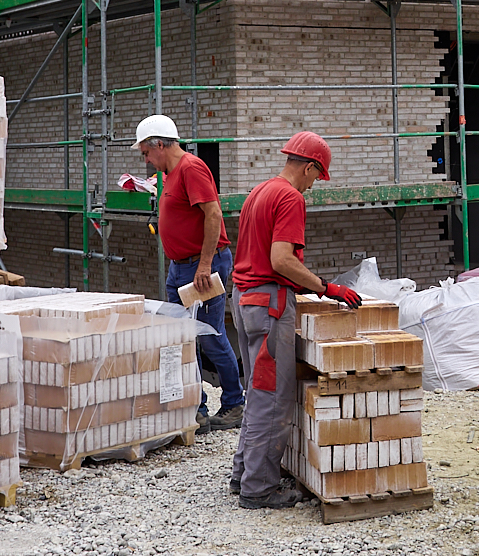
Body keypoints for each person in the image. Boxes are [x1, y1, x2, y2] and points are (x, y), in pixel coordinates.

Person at [229, 131, 362, 509]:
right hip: (269, 304)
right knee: (273, 398)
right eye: (316, 178)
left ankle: (244, 475)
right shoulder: (289, 197)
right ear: (308, 167)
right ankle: (259, 489)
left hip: (244, 299)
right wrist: (327, 288)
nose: (313, 186)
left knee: (257, 391)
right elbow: (281, 260)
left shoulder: (260, 190)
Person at [133, 115, 245, 434]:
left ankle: (234, 403)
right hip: (181, 267)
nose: (146, 159)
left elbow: (213, 214)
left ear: (160, 144)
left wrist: (205, 266)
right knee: (183, 338)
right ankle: (197, 405)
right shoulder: (169, 173)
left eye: (146, 153)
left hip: (200, 268)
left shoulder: (191, 168)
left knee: (208, 335)